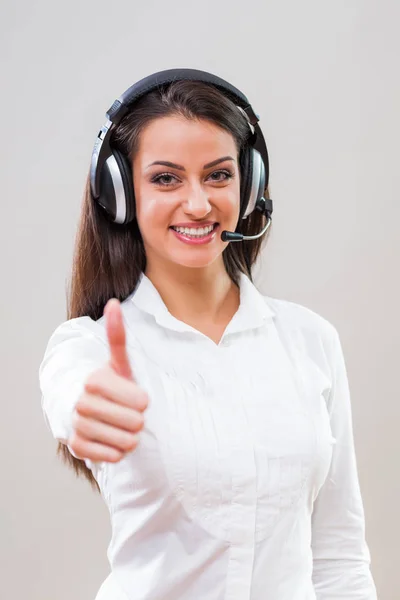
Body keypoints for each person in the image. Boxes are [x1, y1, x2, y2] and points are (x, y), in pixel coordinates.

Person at [38, 68, 377, 600]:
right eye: (166, 179)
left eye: (218, 175)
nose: (198, 205)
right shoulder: (89, 347)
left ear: (251, 184)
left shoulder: (310, 341)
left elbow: (338, 555)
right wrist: (86, 409)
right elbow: (71, 391)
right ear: (120, 193)